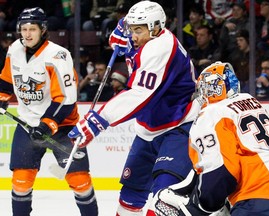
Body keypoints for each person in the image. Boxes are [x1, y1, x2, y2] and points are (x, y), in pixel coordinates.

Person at [68, 1, 201, 215]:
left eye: (138, 31)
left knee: (164, 201)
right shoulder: (141, 34)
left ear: (156, 27)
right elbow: (120, 32)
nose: (133, 36)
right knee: (129, 199)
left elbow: (139, 95)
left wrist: (97, 120)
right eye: (132, 30)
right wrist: (119, 35)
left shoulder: (161, 47)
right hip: (148, 130)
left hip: (178, 127)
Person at [155, 61, 269, 216]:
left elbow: (221, 171)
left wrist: (202, 207)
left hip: (259, 198)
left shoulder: (211, 113)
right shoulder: (252, 103)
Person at [0, 7, 98, 216]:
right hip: (28, 126)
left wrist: (47, 124)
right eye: (24, 29)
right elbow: (7, 80)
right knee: (20, 182)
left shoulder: (58, 56)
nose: (27, 34)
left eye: (32, 29)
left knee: (80, 181)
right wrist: (2, 98)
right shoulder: (15, 50)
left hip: (63, 126)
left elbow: (66, 100)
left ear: (42, 30)